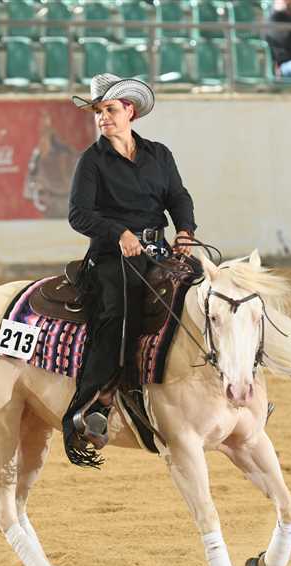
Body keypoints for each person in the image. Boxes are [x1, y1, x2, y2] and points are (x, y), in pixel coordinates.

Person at [62, 73, 196, 466]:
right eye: (98, 112)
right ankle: (94, 402)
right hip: (111, 256)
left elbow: (178, 196)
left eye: (110, 109)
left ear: (130, 111)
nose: (102, 117)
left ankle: (230, 382)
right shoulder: (92, 161)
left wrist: (185, 230)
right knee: (118, 313)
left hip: (158, 249)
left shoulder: (159, 154)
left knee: (213, 295)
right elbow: (79, 214)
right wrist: (119, 232)